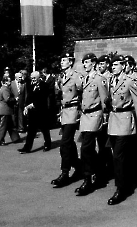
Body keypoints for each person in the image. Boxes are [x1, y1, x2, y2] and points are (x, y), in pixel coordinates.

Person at [106, 55, 137, 205]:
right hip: (113, 121)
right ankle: (126, 181)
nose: (113, 67)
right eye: (112, 65)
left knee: (118, 156)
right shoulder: (110, 80)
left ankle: (121, 189)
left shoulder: (130, 81)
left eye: (116, 64)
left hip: (125, 121)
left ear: (123, 66)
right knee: (117, 156)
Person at [72, 53, 108, 196]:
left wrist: (105, 117)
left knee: (86, 147)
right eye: (83, 62)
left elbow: (105, 100)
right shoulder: (85, 78)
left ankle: (87, 179)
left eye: (87, 62)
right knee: (89, 148)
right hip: (85, 115)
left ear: (93, 63)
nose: (84, 65)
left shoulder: (100, 79)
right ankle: (97, 173)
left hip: (95, 114)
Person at [51, 53, 83, 187]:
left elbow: (82, 92)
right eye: (61, 60)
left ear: (70, 62)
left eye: (64, 60)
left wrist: (81, 111)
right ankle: (79, 166)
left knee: (65, 143)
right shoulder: (61, 77)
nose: (61, 62)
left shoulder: (76, 76)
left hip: (73, 111)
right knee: (69, 143)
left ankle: (64, 173)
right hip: (64, 112)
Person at [18, 71, 52, 154]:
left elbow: (43, 99)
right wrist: (26, 107)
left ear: (38, 77)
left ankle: (48, 144)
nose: (33, 79)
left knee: (45, 129)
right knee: (31, 131)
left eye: (34, 78)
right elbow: (28, 97)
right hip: (32, 112)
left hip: (41, 111)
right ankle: (27, 148)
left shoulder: (45, 85)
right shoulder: (30, 85)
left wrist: (32, 105)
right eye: (31, 78)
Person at [0, 76, 21, 146]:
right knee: (3, 126)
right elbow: (7, 99)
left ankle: (15, 138)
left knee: (10, 125)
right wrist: (15, 99)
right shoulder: (5, 89)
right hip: (5, 110)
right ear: (5, 82)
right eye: (9, 81)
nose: (10, 82)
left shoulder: (4, 88)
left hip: (7, 110)